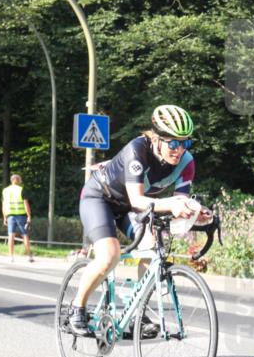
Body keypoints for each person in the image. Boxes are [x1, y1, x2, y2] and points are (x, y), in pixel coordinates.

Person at [71, 104, 209, 333]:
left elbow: (178, 202)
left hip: (130, 208)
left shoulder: (187, 163)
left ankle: (136, 312)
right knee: (109, 255)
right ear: (156, 138)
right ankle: (77, 308)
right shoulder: (137, 150)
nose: (179, 150)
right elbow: (137, 200)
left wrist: (196, 213)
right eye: (173, 143)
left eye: (186, 143)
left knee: (152, 248)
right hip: (100, 198)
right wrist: (173, 205)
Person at [2, 174, 34, 263]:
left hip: (10, 216)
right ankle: (29, 256)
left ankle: (11, 256)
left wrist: (4, 217)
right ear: (16, 180)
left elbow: (4, 205)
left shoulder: (5, 190)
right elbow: (25, 204)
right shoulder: (21, 189)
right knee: (25, 235)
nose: (21, 181)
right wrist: (29, 216)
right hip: (21, 215)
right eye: (20, 179)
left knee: (11, 236)